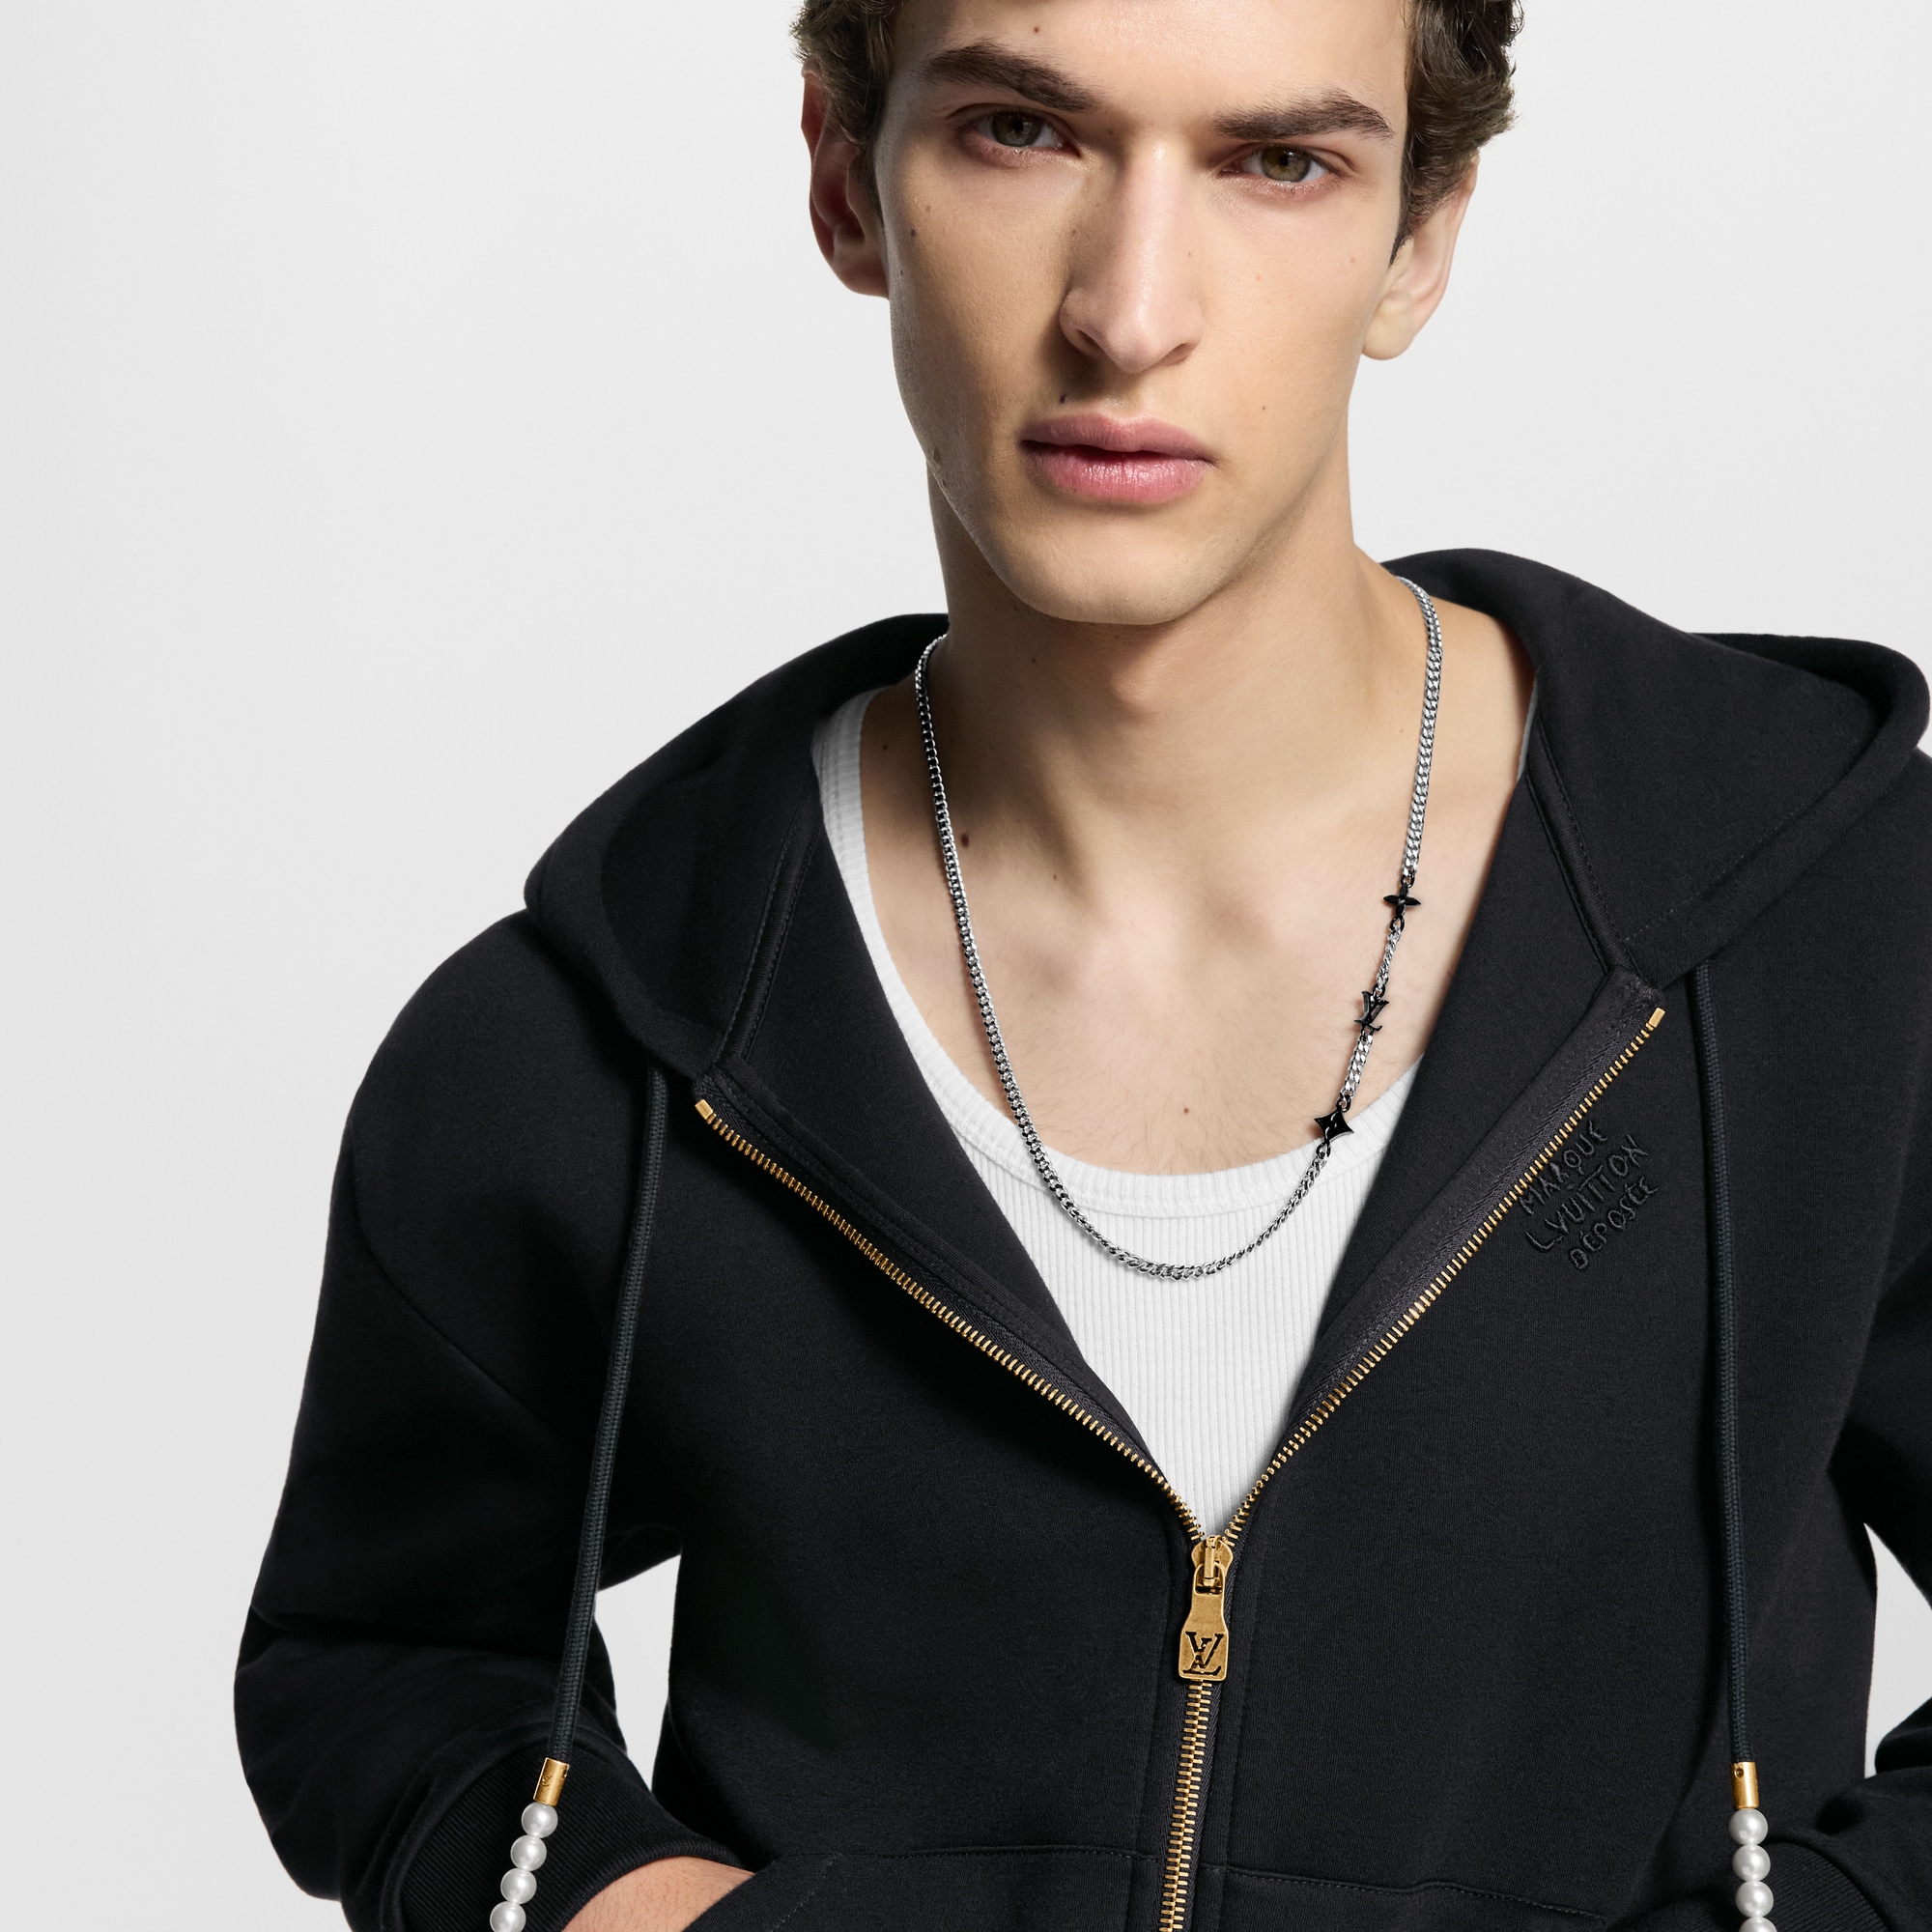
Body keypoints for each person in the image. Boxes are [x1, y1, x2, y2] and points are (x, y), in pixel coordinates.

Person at [237, 1, 1932, 1928]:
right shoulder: (598, 1038)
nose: (1129, 315)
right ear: (843, 177)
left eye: (1278, 162)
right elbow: (389, 1662)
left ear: (1419, 237)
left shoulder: (1829, 937)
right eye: (1022, 133)